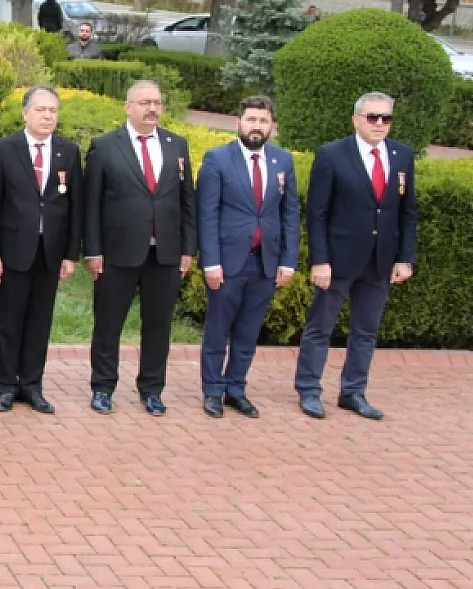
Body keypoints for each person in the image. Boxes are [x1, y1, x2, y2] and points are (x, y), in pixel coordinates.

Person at [293, 92, 417, 420]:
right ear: (356, 119)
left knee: (366, 330)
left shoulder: (402, 155)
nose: (379, 124)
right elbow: (316, 213)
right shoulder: (332, 155)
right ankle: (309, 389)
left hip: (380, 260)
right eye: (372, 117)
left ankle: (353, 391)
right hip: (337, 260)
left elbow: (407, 212)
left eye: (386, 118)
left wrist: (406, 258)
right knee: (321, 326)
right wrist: (319, 260)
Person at [82, 80, 196, 415]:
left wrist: (187, 248)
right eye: (145, 102)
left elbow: (187, 200)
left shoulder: (177, 146)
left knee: (158, 324)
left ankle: (152, 389)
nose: (152, 109)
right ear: (128, 107)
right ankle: (103, 387)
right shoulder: (104, 146)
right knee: (108, 324)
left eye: (157, 102)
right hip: (118, 252)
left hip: (165, 253)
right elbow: (92, 205)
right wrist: (93, 250)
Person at [197, 96, 299, 418]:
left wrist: (288, 260)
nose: (257, 126)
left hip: (265, 263)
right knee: (218, 329)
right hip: (227, 263)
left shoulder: (282, 161)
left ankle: (235, 389)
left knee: (249, 332)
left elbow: (290, 214)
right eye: (252, 120)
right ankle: (213, 390)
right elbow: (207, 215)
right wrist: (210, 262)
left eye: (264, 121)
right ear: (237, 122)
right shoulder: (217, 160)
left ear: (273, 126)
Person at [0, 86, 81, 413]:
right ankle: (6, 387)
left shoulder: (68, 152)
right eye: (40, 110)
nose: (47, 116)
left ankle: (32, 385)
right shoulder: (3, 149)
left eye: (52, 110)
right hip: (12, 250)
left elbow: (75, 208)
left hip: (50, 252)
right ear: (25, 113)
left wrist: (71, 254)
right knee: (10, 321)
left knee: (40, 322)